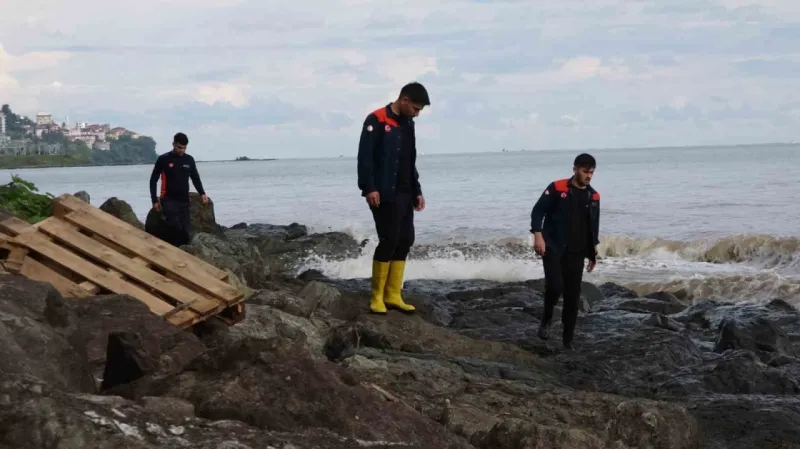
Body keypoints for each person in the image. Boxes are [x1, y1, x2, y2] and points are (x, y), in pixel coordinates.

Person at [357, 82, 430, 314]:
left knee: (406, 239)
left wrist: (417, 191)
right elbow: (365, 158)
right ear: (404, 100)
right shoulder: (376, 119)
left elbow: (410, 160)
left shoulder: (408, 124)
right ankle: (376, 297)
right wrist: (369, 188)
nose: (417, 114)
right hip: (382, 192)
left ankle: (393, 294)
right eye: (416, 108)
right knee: (389, 239)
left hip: (405, 191)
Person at [529, 153, 600, 350]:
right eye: (585, 172)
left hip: (576, 251)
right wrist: (538, 235)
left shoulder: (594, 196)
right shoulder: (557, 187)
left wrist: (592, 252)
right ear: (575, 169)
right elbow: (538, 211)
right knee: (555, 286)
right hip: (553, 245)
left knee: (572, 296)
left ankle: (567, 341)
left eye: (592, 172)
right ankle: (546, 318)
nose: (589, 176)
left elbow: (593, 226)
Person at [149, 132, 209, 247]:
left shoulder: (189, 160)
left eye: (184, 148)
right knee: (174, 226)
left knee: (185, 231)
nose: (182, 150)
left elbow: (195, 178)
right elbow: (153, 180)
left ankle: (183, 252)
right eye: (179, 147)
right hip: (168, 199)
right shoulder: (163, 159)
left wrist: (202, 193)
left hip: (184, 200)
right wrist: (154, 200)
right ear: (173, 144)